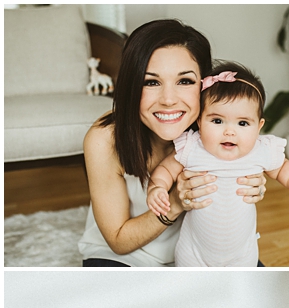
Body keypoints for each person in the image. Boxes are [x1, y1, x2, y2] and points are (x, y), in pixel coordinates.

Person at [80, 19, 267, 267]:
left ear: (204, 83)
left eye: (185, 81)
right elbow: (118, 241)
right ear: (131, 85)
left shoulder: (217, 130)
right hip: (125, 256)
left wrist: (253, 183)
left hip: (199, 253)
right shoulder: (104, 139)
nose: (169, 100)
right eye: (152, 82)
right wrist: (176, 203)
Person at [147, 63, 289, 267]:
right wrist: (157, 187)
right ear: (199, 122)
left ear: (259, 126)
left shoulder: (260, 150)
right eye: (217, 121)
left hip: (242, 254)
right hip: (194, 251)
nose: (229, 132)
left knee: (241, 290)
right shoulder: (193, 147)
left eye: (242, 123)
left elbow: (283, 168)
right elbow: (165, 170)